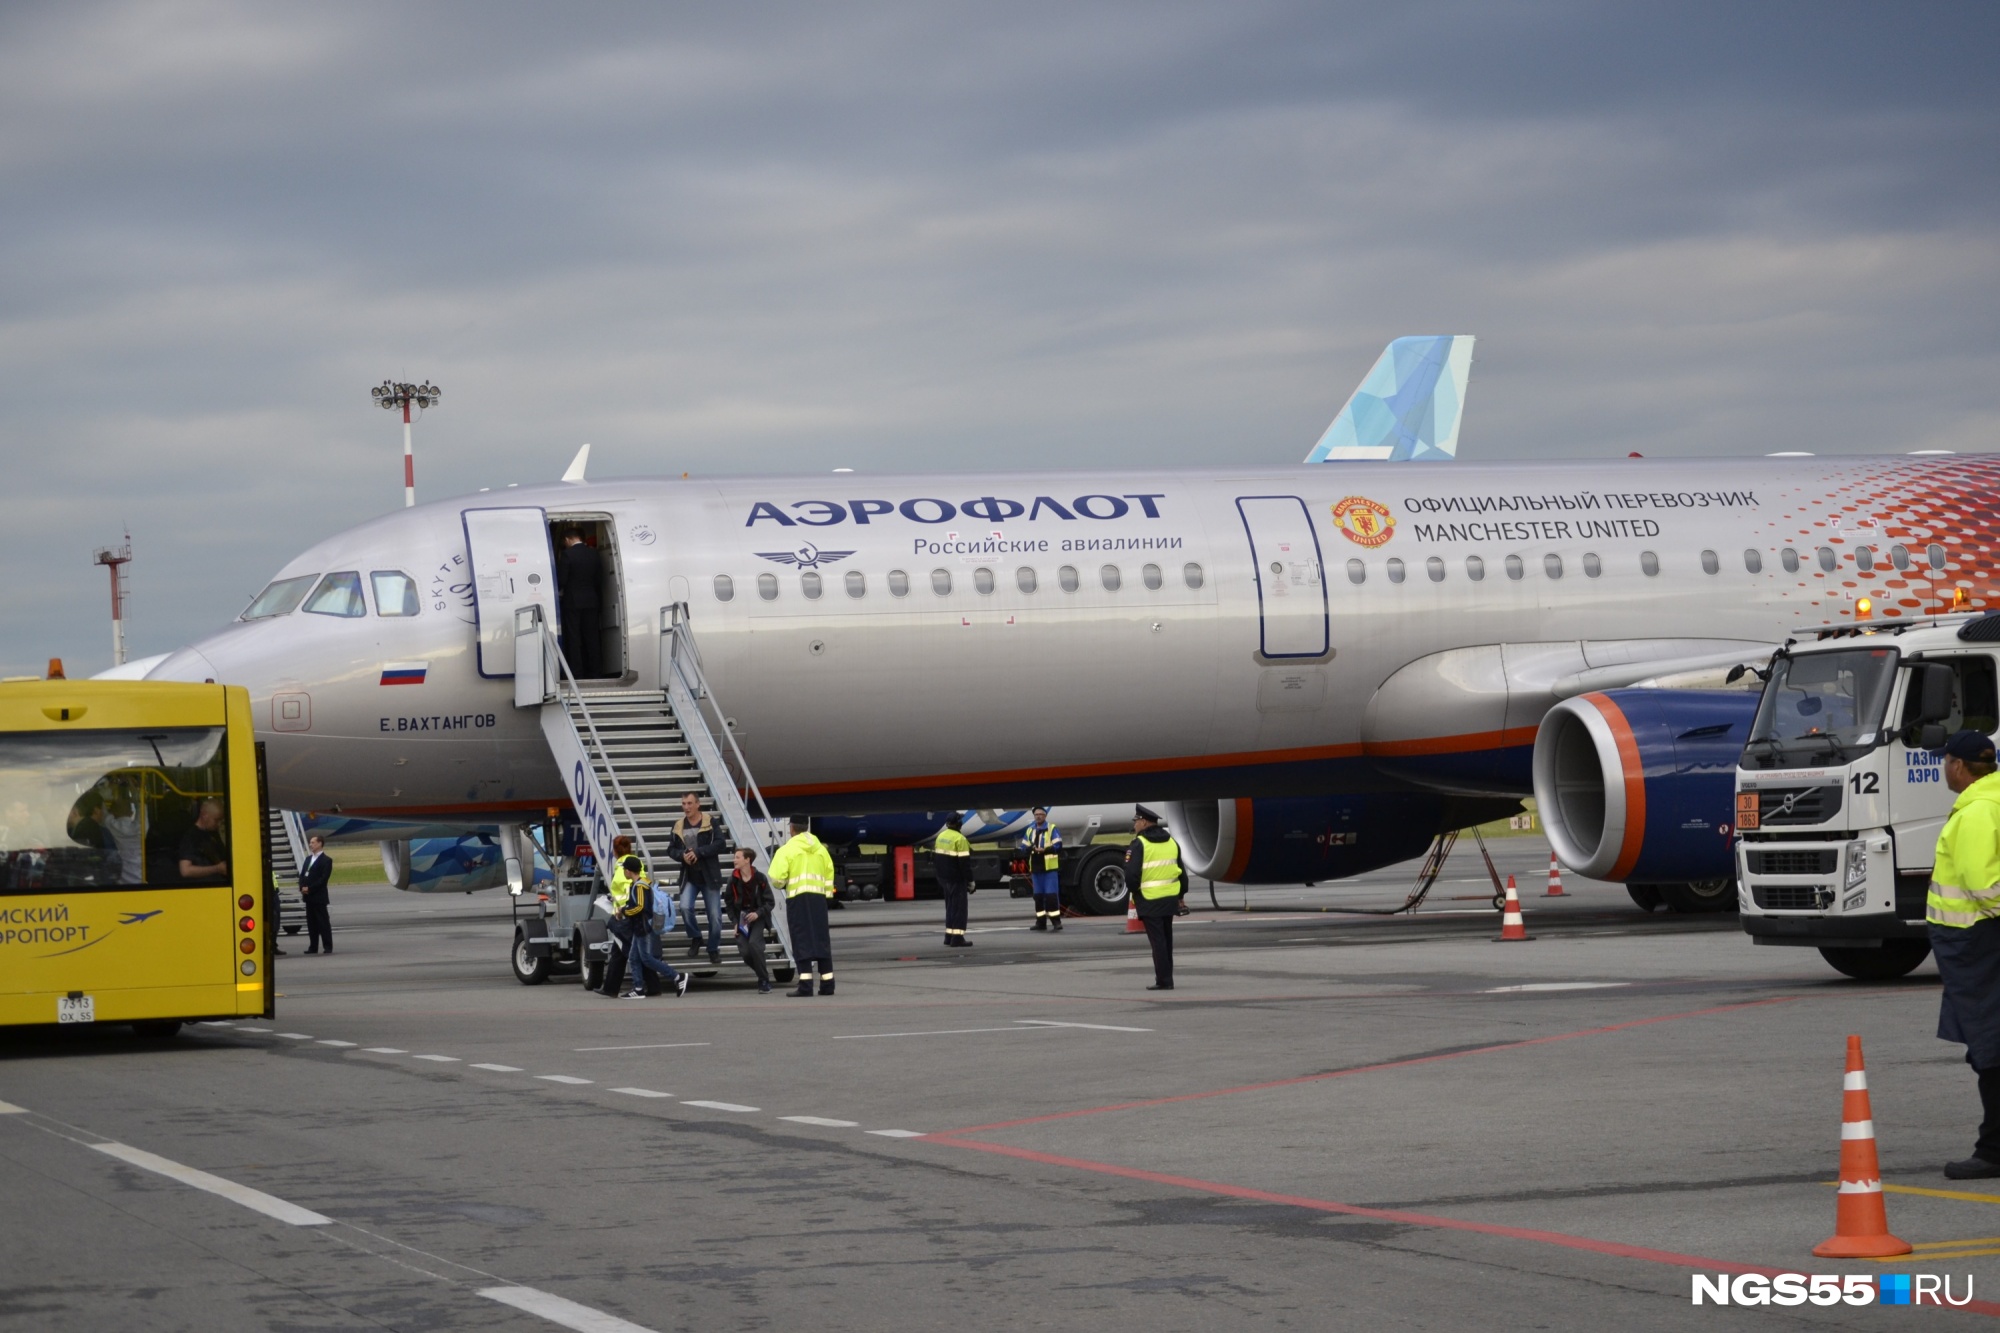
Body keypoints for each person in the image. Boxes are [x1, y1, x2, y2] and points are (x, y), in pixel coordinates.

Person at [1927, 730, 2000, 1178]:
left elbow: (1981, 882)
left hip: (1977, 942)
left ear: (1957, 766)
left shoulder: (1975, 812)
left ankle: (1993, 1150)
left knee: (1989, 1046)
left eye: (1945, 761)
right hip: (1978, 941)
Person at [769, 815, 836, 996]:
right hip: (819, 899)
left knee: (801, 940)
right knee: (821, 939)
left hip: (798, 899)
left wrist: (783, 883)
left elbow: (776, 879)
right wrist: (826, 895)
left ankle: (805, 986)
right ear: (806, 827)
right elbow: (830, 873)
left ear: (791, 828)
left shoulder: (787, 850)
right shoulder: (821, 850)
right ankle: (828, 984)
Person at [1123, 805, 1187, 991]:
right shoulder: (1171, 842)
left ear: (1143, 822)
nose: (1135, 825)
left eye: (1136, 821)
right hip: (1169, 899)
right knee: (1167, 940)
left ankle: (1164, 981)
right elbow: (1181, 873)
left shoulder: (1140, 844)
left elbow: (1131, 874)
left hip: (1149, 899)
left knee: (1157, 941)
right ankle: (1168, 977)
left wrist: (1135, 892)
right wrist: (1180, 895)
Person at [612, 854, 688, 1000]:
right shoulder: (640, 884)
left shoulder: (640, 886)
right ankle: (638, 988)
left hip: (643, 927)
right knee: (634, 958)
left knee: (647, 958)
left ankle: (677, 976)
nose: (623, 872)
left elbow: (640, 907)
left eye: (624, 870)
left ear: (628, 871)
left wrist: (624, 912)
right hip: (639, 927)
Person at [667, 793, 725, 963]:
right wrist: (682, 855)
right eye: (684, 803)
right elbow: (670, 850)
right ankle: (696, 937)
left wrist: (699, 852)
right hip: (689, 876)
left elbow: (721, 844)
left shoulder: (710, 822)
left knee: (715, 916)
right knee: (684, 908)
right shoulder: (678, 825)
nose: (686, 807)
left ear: (698, 804)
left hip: (709, 876)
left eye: (690, 803)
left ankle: (713, 948)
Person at [725, 847, 778, 993]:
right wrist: (735, 922)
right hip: (742, 919)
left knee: (755, 944)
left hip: (758, 917)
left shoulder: (760, 878)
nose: (734, 860)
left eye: (737, 857)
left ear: (747, 860)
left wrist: (758, 913)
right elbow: (728, 903)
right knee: (746, 952)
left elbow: (770, 902)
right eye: (735, 857)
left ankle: (764, 981)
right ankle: (763, 975)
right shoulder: (733, 880)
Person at [556, 529, 603, 679]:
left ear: (568, 539)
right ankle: (596, 671)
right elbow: (598, 579)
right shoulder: (593, 554)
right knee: (592, 637)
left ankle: (577, 672)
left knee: (574, 637)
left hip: (573, 601)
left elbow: (562, 580)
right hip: (591, 600)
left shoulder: (568, 555)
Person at [1020, 806, 1063, 931]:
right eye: (1036, 814)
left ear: (1045, 816)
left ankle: (1056, 922)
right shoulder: (1030, 830)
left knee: (1051, 896)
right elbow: (1024, 846)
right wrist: (1028, 849)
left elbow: (1058, 845)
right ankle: (1041, 922)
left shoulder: (1052, 828)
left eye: (1041, 814)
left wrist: (1045, 850)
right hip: (1036, 868)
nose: (1038, 816)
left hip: (1049, 869)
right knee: (1038, 897)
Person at [934, 813, 974, 948]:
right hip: (956, 879)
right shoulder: (960, 839)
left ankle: (948, 936)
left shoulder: (941, 836)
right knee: (959, 909)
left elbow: (938, 860)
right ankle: (957, 938)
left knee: (950, 907)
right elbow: (964, 864)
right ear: (958, 824)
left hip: (944, 878)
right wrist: (970, 881)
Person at [177, 800, 229, 883]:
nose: (219, 824)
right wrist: (217, 869)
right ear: (204, 816)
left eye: (221, 821)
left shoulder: (213, 832)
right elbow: (185, 870)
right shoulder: (190, 836)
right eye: (216, 820)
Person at [299, 834, 334, 955]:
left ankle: (327, 946)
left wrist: (310, 888)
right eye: (310, 842)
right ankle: (313, 946)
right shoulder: (308, 859)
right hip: (308, 897)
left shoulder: (326, 860)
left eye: (313, 842)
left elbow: (323, 879)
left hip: (319, 897)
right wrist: (302, 887)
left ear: (320, 844)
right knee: (311, 923)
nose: (310, 845)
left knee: (323, 922)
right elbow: (303, 874)